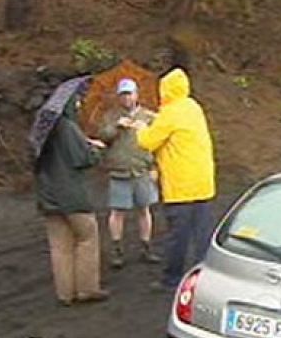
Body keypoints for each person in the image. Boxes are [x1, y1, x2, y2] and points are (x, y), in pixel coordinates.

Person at [126, 68, 216, 290]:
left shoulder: (170, 113)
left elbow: (147, 142)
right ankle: (204, 277)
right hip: (203, 183)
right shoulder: (193, 107)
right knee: (202, 233)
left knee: (178, 236)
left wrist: (140, 128)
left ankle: (172, 278)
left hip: (180, 186)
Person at [35, 91, 109, 306]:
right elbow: (84, 159)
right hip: (71, 195)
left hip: (47, 196)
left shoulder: (44, 132)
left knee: (59, 247)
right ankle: (87, 289)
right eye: (76, 101)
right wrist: (95, 148)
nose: (78, 104)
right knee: (87, 238)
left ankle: (65, 294)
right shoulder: (67, 127)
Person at [97, 78, 161, 268]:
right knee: (117, 212)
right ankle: (117, 250)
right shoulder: (110, 116)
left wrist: (155, 167)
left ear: (136, 94)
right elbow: (103, 137)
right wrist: (116, 126)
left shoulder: (150, 117)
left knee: (145, 210)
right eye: (123, 94)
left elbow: (159, 143)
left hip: (142, 170)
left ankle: (146, 247)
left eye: (129, 93)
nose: (126, 98)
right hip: (119, 171)